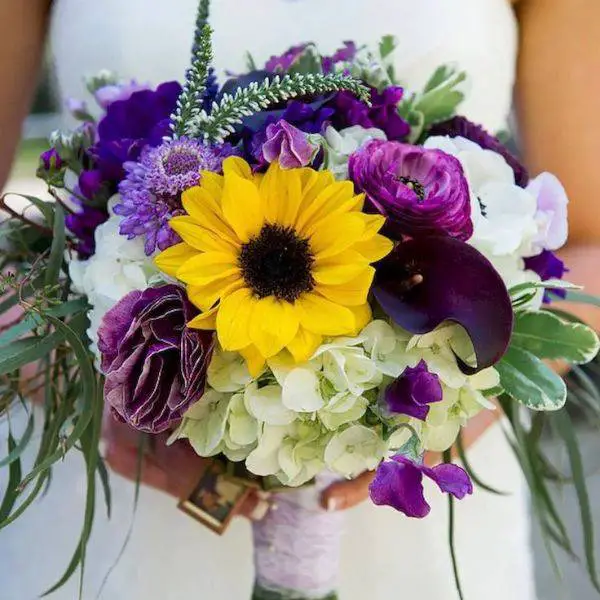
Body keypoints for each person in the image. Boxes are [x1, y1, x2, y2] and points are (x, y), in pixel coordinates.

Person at [1, 0, 599, 598]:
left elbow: (593, 246)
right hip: (112, 510)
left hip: (415, 524)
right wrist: (89, 371)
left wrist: (459, 399)